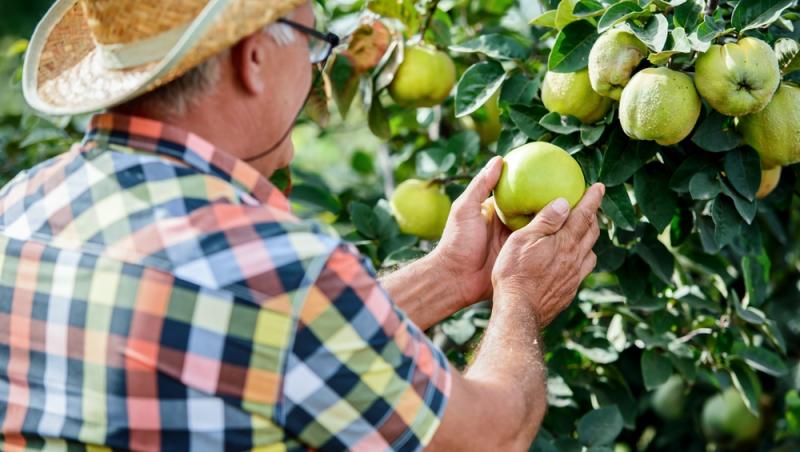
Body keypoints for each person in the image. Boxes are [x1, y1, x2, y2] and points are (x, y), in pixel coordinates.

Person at [1, 0, 604, 450]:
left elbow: (256, 336)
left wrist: (448, 277)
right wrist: (521, 301)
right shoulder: (279, 269)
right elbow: (488, 438)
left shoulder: (18, 210)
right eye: (315, 41)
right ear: (254, 58)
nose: (319, 72)